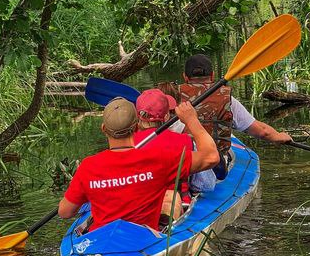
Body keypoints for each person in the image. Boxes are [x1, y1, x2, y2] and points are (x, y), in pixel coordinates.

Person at [58, 97, 219, 232]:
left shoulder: (88, 166)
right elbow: (211, 157)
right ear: (136, 127)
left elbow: (65, 212)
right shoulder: (159, 159)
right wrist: (191, 119)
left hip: (99, 243)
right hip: (143, 239)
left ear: (103, 129)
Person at [178, 54, 292, 177]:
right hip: (214, 165)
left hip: (180, 162)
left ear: (185, 77)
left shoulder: (171, 97)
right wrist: (278, 136)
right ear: (212, 75)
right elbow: (262, 132)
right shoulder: (226, 99)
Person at [134, 88, 194, 219]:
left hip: (138, 208)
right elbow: (204, 184)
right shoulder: (185, 140)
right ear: (167, 116)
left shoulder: (126, 144)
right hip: (179, 208)